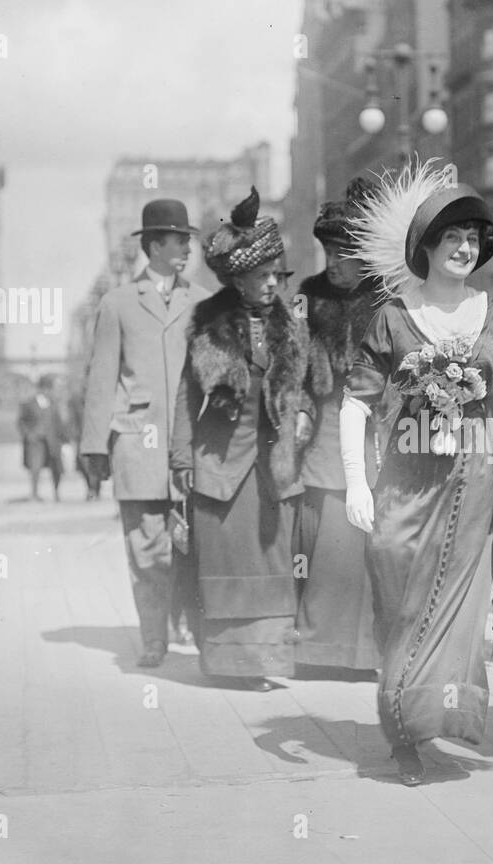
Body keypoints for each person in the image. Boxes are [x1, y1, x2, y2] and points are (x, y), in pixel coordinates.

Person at [343, 163, 493, 785]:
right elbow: (355, 402)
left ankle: (425, 728)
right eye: (451, 238)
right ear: (425, 247)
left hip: (473, 485)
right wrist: (355, 479)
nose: (464, 249)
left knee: (458, 609)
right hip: (404, 482)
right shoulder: (392, 317)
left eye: (473, 240)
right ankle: (402, 719)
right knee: (400, 602)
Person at [170, 188, 311, 691]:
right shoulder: (208, 326)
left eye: (277, 275)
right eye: (262, 276)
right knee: (226, 560)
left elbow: (307, 392)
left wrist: (303, 419)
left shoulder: (292, 328)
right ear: (238, 279)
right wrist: (181, 461)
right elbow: (188, 398)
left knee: (272, 562)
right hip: (220, 465)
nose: (273, 284)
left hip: (273, 469)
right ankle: (227, 664)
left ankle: (265, 660)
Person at [80, 199, 209, 667]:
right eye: (179, 241)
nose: (187, 250)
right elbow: (101, 379)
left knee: (193, 545)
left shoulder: (202, 303)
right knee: (147, 549)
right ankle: (154, 637)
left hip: (192, 448)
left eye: (189, 241)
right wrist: (94, 448)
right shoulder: (117, 304)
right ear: (153, 245)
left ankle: (194, 628)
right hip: (136, 445)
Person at [295, 177, 385, 674]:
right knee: (330, 539)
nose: (333, 263)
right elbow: (294, 366)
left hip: (378, 431)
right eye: (328, 252)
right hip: (327, 431)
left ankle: (370, 650)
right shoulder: (310, 297)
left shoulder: (386, 298)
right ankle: (322, 649)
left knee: (372, 541)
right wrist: (303, 408)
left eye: (343, 253)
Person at [18, 373, 67, 501]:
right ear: (43, 388)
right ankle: (34, 494)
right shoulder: (29, 403)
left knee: (56, 468)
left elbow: (58, 422)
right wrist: (29, 434)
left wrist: (63, 438)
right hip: (37, 442)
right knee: (35, 467)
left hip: (52, 441)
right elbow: (21, 421)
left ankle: (56, 493)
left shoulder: (53, 404)